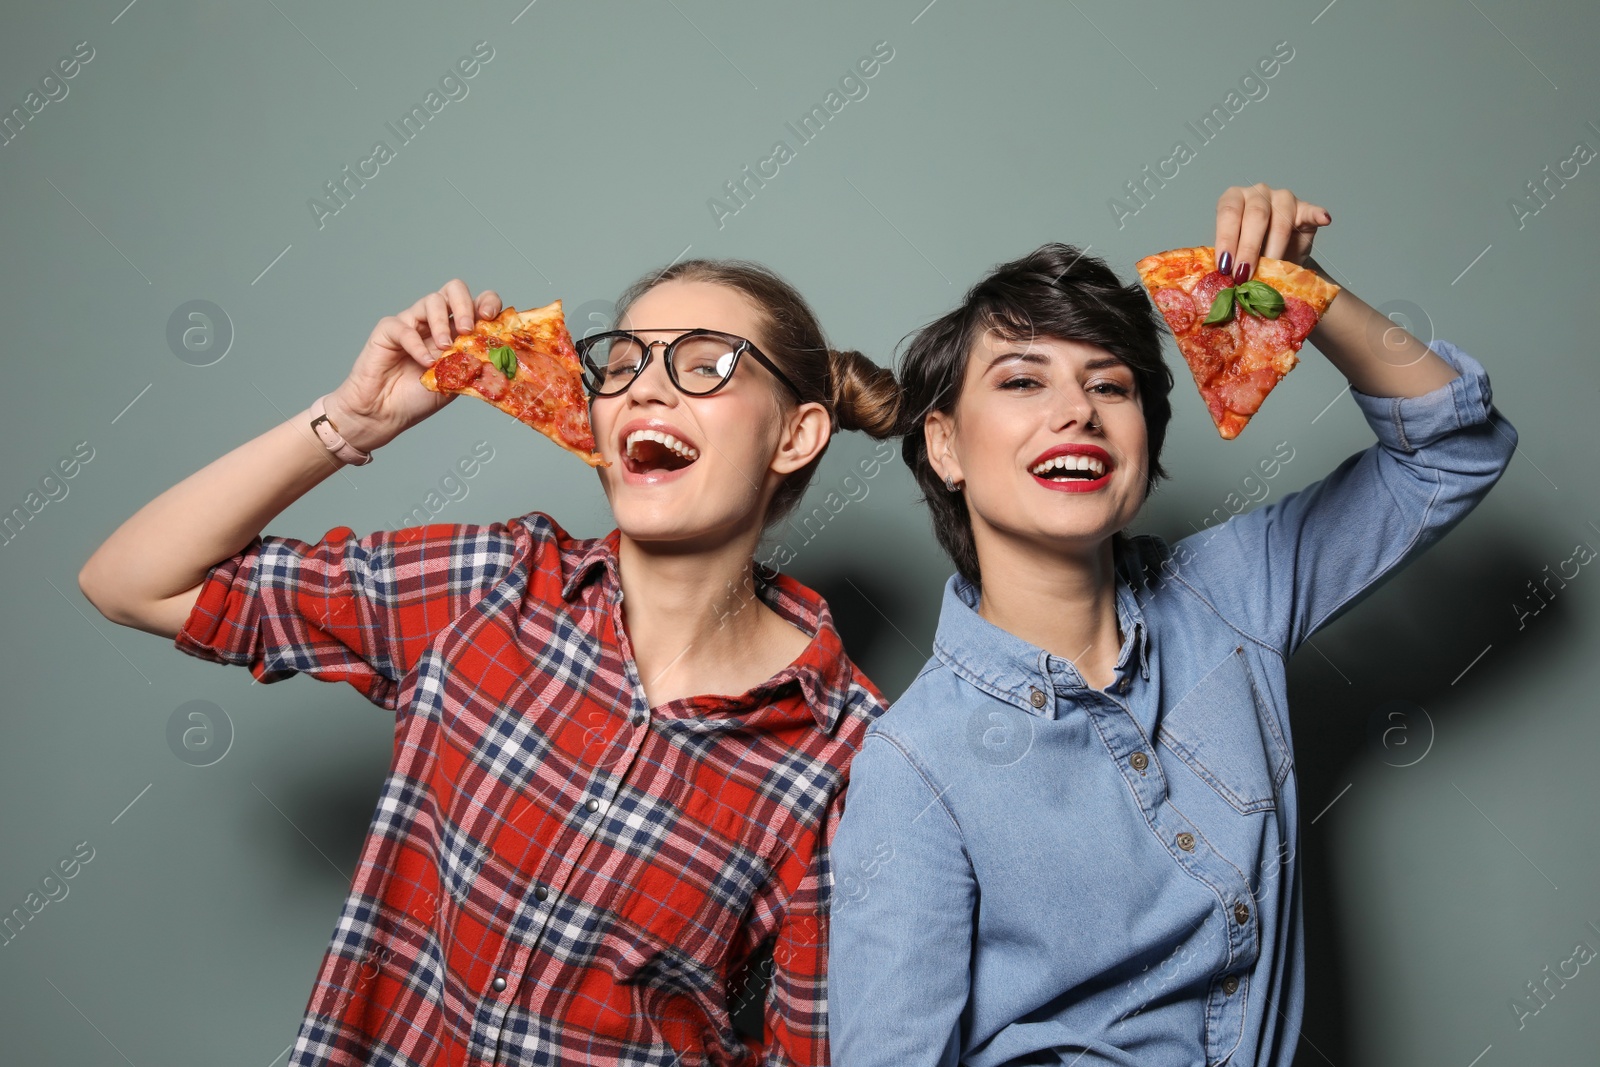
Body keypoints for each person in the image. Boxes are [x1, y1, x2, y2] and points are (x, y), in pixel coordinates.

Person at [79, 262, 899, 1066]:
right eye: (620, 365)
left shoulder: (851, 755)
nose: (646, 389)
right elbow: (131, 583)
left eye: (704, 364)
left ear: (796, 435)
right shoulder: (491, 587)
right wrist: (348, 425)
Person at [825, 183, 1518, 1066]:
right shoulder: (914, 764)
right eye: (1023, 380)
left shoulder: (1232, 591)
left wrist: (1304, 287)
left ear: (1143, 440)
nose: (1075, 409)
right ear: (946, 447)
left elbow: (1456, 448)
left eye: (1109, 384)